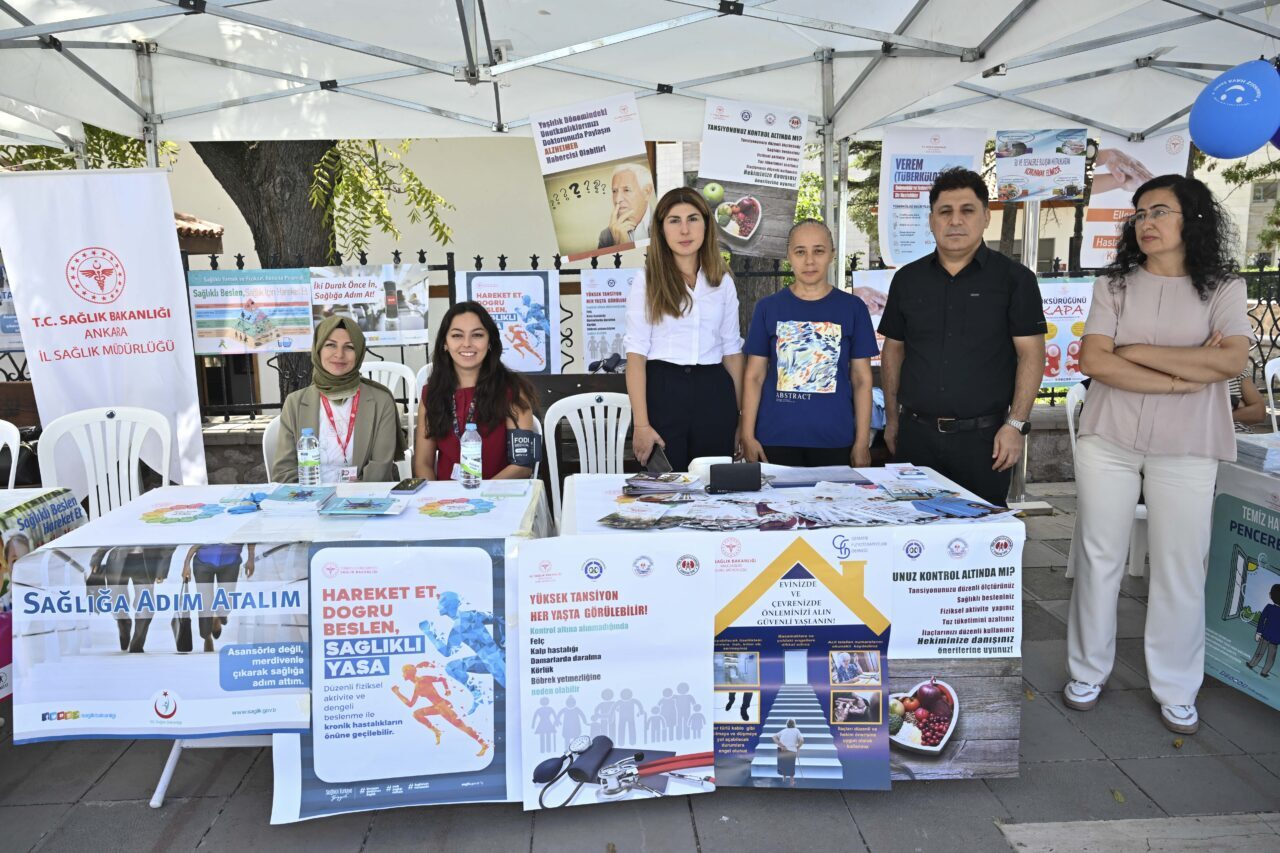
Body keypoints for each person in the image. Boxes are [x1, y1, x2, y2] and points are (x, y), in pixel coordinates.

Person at [1064, 175, 1251, 735]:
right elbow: (1096, 362)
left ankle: (1175, 685)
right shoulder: (1115, 284)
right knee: (1100, 556)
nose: (1145, 222)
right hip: (1110, 436)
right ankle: (1086, 670)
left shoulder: (1222, 287)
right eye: (1140, 213)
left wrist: (1137, 352)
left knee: (1180, 564)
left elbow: (1231, 363)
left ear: (1191, 218)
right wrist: (1181, 373)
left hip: (1189, 443)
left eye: (1160, 211)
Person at [879, 167, 1047, 506]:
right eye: (945, 212)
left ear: (986, 217)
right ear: (931, 220)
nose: (955, 221)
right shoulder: (907, 281)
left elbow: (1032, 355)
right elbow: (893, 352)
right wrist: (893, 422)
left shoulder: (1015, 280)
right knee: (912, 541)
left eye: (967, 210)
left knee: (979, 545)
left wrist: (1015, 425)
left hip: (985, 442)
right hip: (916, 438)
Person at [625, 187, 744, 472]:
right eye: (674, 220)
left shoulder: (722, 281)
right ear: (662, 229)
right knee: (665, 492)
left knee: (715, 486)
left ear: (706, 224)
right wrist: (641, 424)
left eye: (693, 219)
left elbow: (732, 351)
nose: (685, 229)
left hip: (714, 393)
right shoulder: (647, 281)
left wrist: (739, 417)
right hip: (663, 392)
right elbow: (636, 355)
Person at [741, 220, 877, 467]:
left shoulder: (853, 308)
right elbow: (754, 376)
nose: (809, 260)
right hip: (775, 439)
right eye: (800, 251)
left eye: (819, 251)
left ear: (832, 255)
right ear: (788, 256)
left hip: (836, 440)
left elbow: (862, 379)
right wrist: (747, 435)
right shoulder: (768, 307)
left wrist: (860, 442)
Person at [271, 316, 406, 483]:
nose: (339, 354)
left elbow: (379, 470)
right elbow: (284, 471)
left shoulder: (381, 400)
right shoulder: (295, 403)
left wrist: (353, 495)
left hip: (362, 500)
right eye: (330, 345)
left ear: (359, 353)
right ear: (318, 349)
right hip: (310, 499)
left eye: (349, 347)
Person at [414, 301, 539, 482]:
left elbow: (522, 465)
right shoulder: (431, 394)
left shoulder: (512, 390)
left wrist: (481, 494)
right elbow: (423, 464)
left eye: (477, 335)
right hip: (446, 502)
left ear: (490, 342)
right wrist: (436, 500)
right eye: (457, 335)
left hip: (499, 498)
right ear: (445, 344)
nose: (467, 344)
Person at [598, 162, 654, 249]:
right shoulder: (606, 236)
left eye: (626, 190)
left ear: (647, 192)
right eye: (614, 191)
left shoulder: (665, 223)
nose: (618, 199)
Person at [1246, 584, 1280, 678]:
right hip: (1275, 639)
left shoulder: (1269, 607)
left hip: (1265, 635)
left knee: (1260, 652)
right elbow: (1262, 619)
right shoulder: (1269, 607)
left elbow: (1261, 620)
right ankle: (1264, 672)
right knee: (1271, 657)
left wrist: (1259, 632)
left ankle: (1252, 664)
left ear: (1271, 595)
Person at [772, 719, 803, 786]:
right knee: (791, 767)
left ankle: (784, 779)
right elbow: (802, 740)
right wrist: (797, 747)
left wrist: (781, 745)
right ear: (794, 724)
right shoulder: (796, 730)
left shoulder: (784, 730)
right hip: (791, 751)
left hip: (781, 750)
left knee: (783, 765)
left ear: (787, 724)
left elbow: (774, 737)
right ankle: (791, 782)